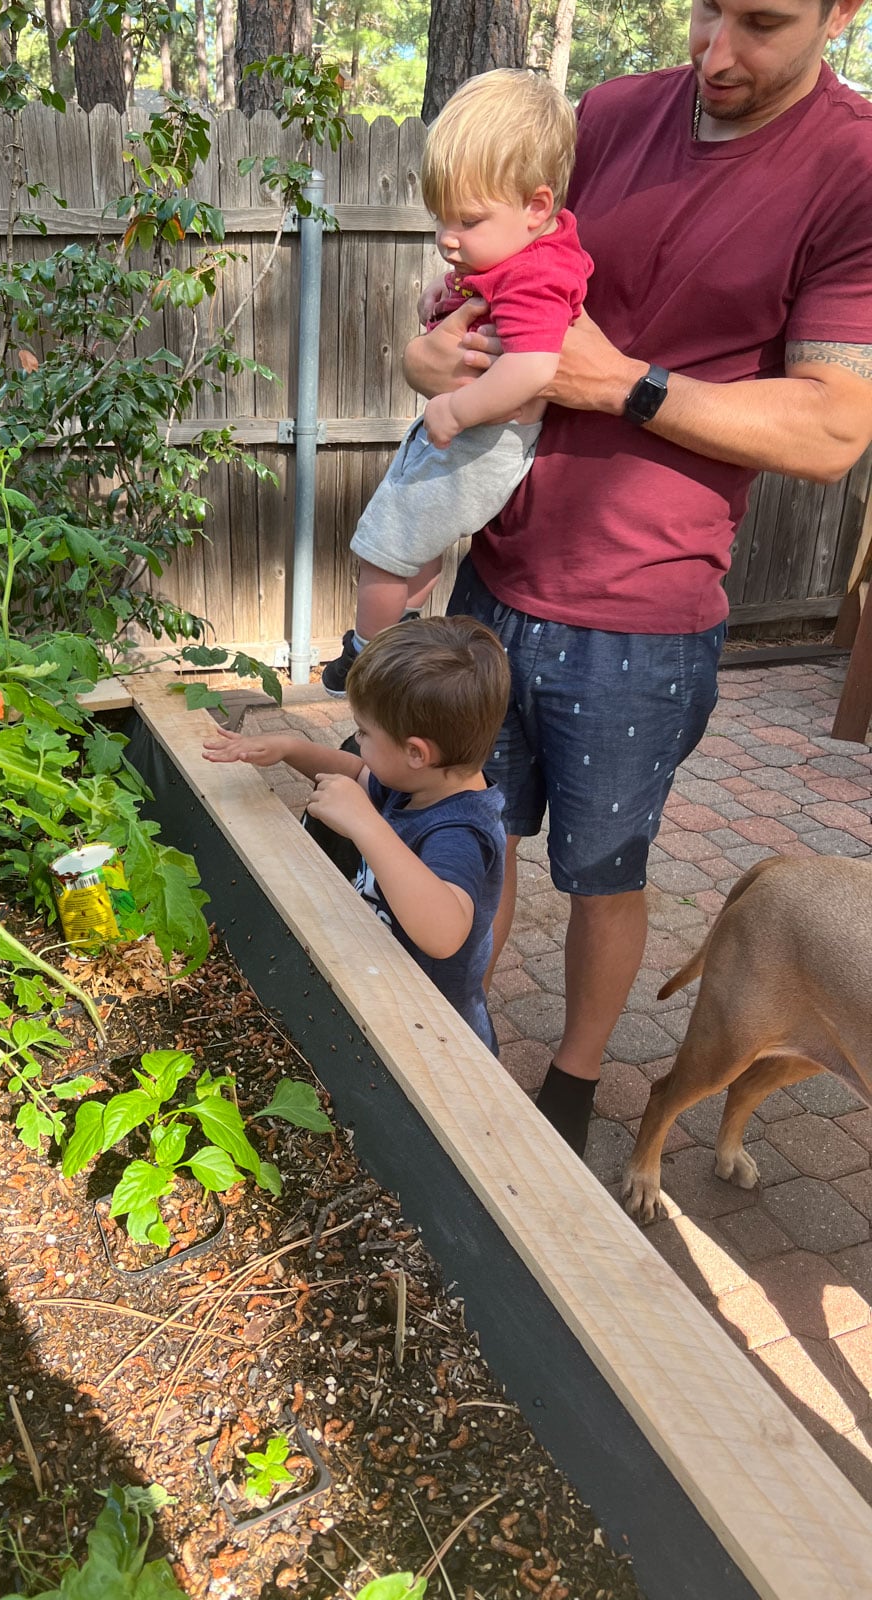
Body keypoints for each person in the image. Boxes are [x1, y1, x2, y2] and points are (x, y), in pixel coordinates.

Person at [403, 0, 872, 1156]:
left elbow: (833, 429)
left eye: (759, 22)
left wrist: (624, 384)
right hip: (499, 574)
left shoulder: (853, 170)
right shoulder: (606, 116)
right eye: (705, 6)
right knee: (475, 830)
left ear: (843, 13)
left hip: (645, 623)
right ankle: (454, 1034)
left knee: (605, 874)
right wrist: (426, 352)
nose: (713, 52)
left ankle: (572, 1084)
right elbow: (478, 287)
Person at [320, 69, 592, 697]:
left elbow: (533, 367)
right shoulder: (523, 254)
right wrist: (443, 294)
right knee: (415, 549)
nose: (448, 237)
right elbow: (485, 300)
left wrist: (460, 410)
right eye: (441, 217)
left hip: (480, 440)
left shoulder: (533, 277)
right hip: (478, 438)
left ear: (537, 206)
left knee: (383, 551)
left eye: (466, 221)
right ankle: (403, 627)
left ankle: (367, 658)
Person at [204, 617, 510, 1053]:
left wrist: (366, 824)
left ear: (416, 752)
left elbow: (444, 933)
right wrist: (291, 748)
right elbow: (360, 772)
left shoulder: (459, 831)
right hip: (386, 997)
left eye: (364, 732)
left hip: (434, 1035)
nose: (356, 741)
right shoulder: (419, 781)